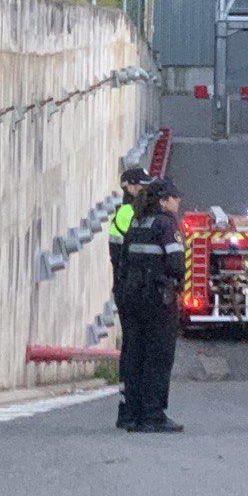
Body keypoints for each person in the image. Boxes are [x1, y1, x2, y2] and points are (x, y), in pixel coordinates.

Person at [119, 177, 186, 433]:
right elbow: (177, 264)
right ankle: (153, 415)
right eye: (174, 196)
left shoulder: (136, 222)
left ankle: (133, 414)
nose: (178, 200)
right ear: (162, 200)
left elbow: (124, 260)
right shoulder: (166, 224)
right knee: (159, 357)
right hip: (158, 299)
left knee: (136, 355)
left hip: (132, 297)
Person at [111, 166, 150, 429]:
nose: (145, 190)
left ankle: (129, 406)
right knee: (135, 347)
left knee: (132, 345)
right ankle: (130, 408)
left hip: (126, 287)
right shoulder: (128, 213)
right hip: (130, 288)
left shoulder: (126, 211)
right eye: (142, 186)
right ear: (130, 187)